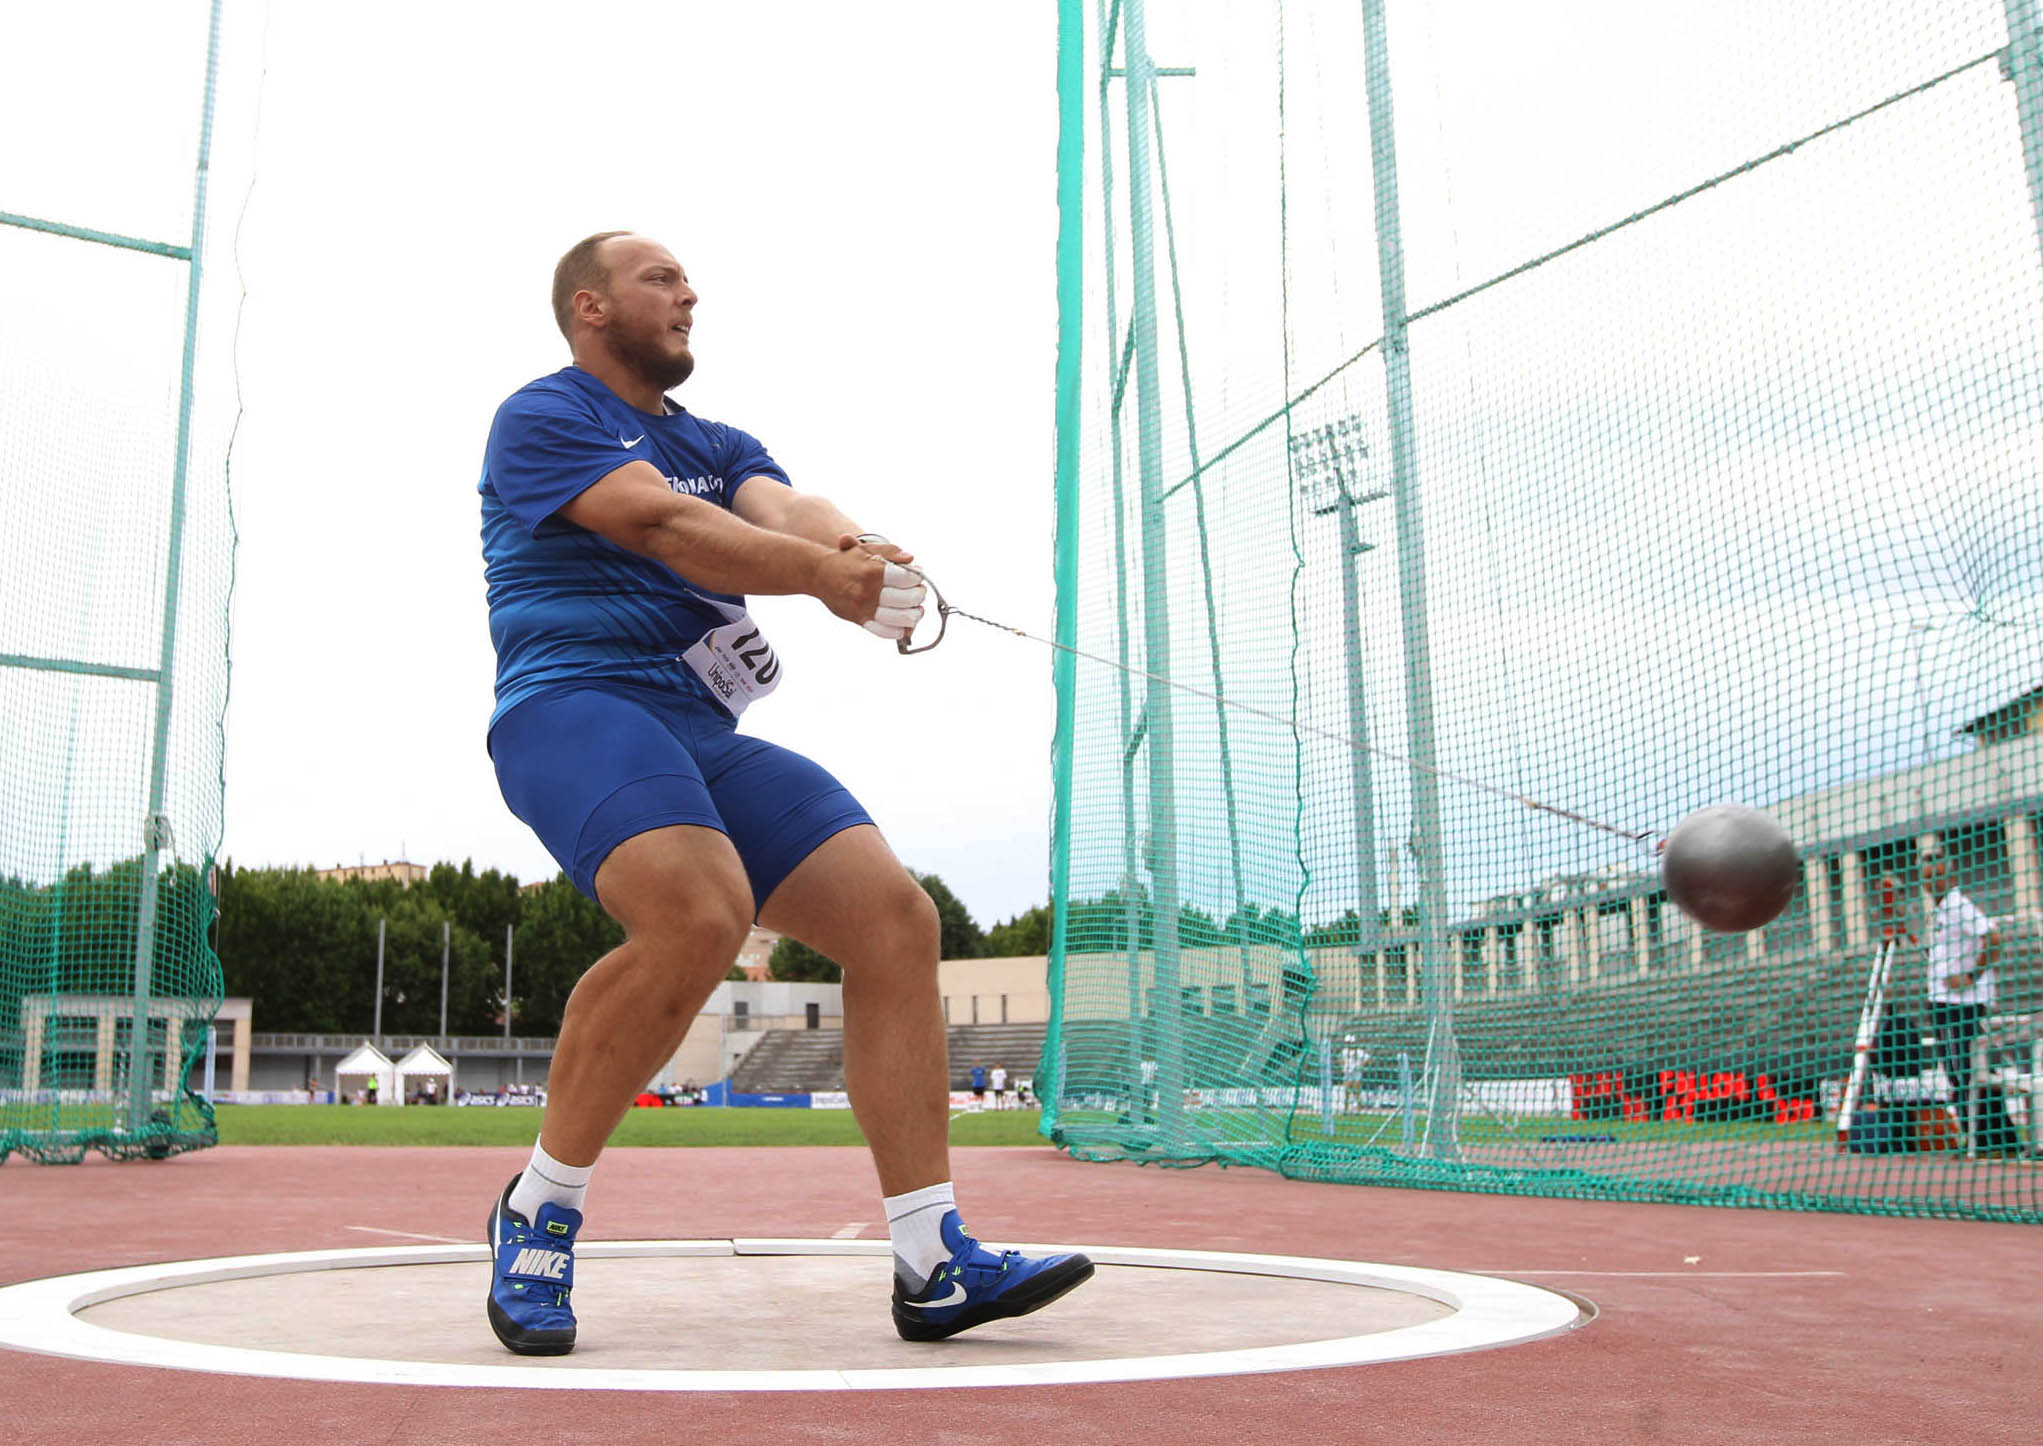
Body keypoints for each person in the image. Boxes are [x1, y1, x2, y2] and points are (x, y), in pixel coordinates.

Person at [476, 232, 1091, 1356]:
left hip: (694, 733)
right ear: (590, 306)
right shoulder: (543, 414)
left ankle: (932, 1259)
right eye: (661, 278)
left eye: (686, 279)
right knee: (699, 913)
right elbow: (663, 524)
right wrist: (821, 578)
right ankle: (540, 1208)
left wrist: (856, 548)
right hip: (574, 709)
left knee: (895, 919)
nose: (690, 292)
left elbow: (784, 507)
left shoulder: (718, 442)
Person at [1920, 849, 2019, 1154]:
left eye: (1938, 875)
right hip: (1942, 1002)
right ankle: (1989, 1138)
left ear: (1950, 875)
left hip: (1960, 1005)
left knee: (1966, 1073)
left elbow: (1994, 938)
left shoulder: (1958, 905)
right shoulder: (1939, 911)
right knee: (1960, 1072)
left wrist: (1971, 975)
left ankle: (1990, 1139)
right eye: (1927, 877)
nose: (1933, 882)